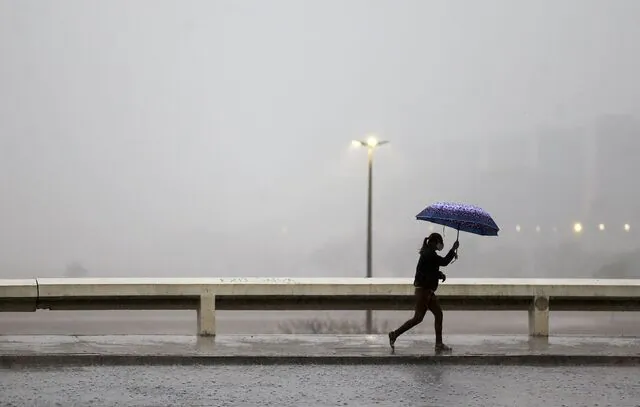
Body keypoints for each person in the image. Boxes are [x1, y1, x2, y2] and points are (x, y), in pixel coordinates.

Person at [388, 232, 459, 353]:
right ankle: (394, 334)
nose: (441, 245)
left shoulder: (428, 254)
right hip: (424, 292)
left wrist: (439, 274)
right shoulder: (429, 254)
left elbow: (429, 271)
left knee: (438, 314)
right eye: (440, 242)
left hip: (428, 291)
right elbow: (444, 262)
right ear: (435, 242)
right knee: (418, 318)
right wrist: (453, 249)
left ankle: (439, 344)